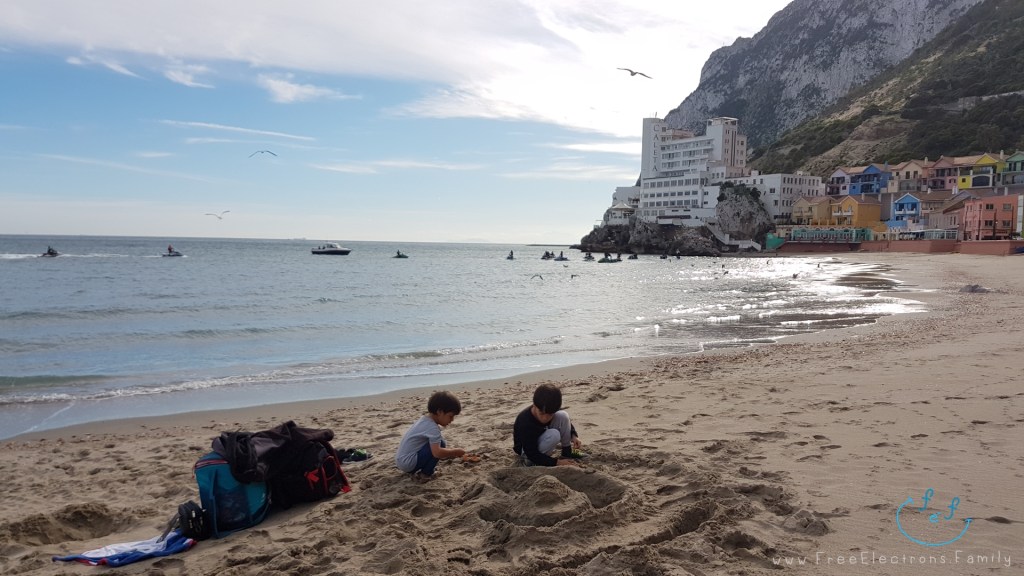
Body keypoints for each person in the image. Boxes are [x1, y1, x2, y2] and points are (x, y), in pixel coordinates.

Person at [395, 391, 465, 479]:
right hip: (408, 463)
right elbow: (437, 453)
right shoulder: (433, 428)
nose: (452, 420)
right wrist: (455, 452)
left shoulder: (424, 420)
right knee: (441, 444)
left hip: (401, 461)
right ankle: (426, 474)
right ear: (439, 411)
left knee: (438, 443)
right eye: (450, 416)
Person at [513, 383, 587, 467]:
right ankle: (530, 462)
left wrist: (573, 436)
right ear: (534, 405)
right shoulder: (525, 421)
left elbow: (566, 422)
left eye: (550, 414)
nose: (545, 418)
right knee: (554, 434)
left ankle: (567, 452)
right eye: (541, 413)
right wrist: (557, 462)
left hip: (542, 436)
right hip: (527, 451)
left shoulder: (551, 407)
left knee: (563, 415)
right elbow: (531, 452)